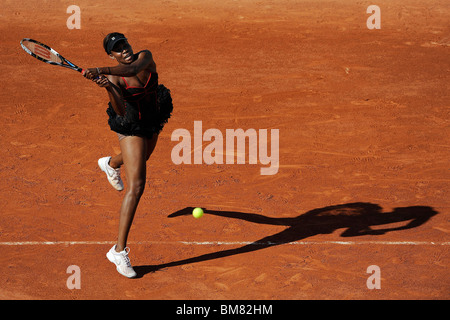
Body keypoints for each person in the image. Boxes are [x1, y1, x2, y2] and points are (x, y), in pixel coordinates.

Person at [83, 32, 172, 278]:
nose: (124, 50)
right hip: (131, 125)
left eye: (125, 44)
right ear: (112, 54)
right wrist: (108, 86)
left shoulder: (145, 57)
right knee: (137, 185)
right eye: (118, 49)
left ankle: (110, 164)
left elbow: (133, 67)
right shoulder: (113, 77)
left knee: (142, 159)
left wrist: (99, 68)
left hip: (152, 118)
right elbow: (121, 109)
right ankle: (118, 251)